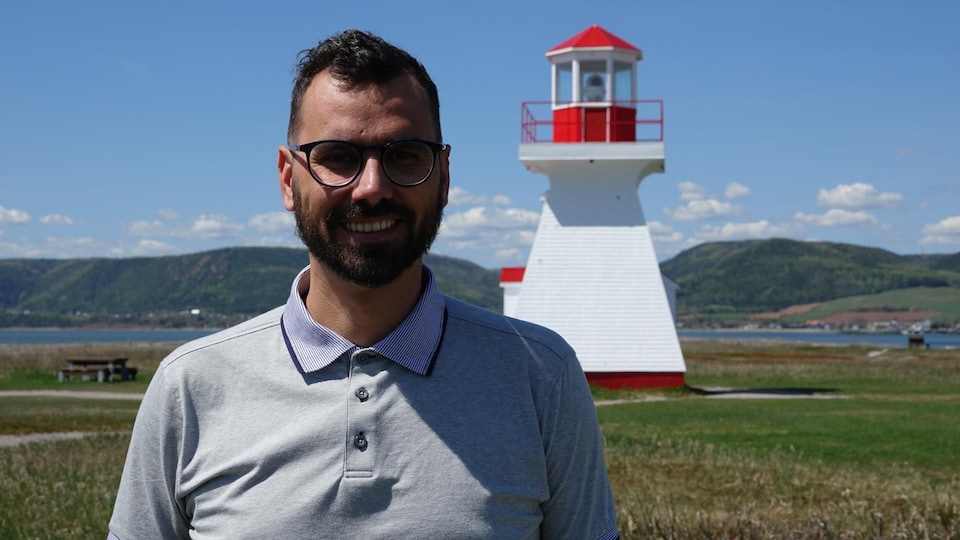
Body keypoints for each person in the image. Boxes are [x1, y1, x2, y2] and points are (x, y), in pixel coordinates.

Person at [108, 29, 620, 539]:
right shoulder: (190, 387)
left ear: (443, 177)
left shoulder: (542, 378)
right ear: (289, 179)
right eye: (337, 156)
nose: (372, 188)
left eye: (404, 157)